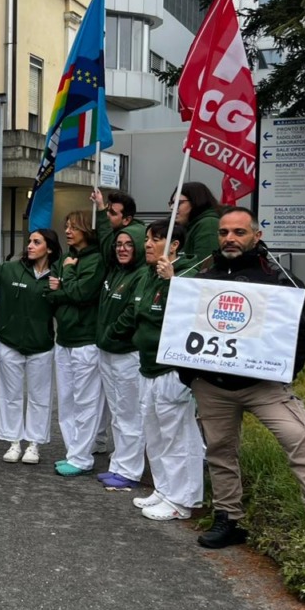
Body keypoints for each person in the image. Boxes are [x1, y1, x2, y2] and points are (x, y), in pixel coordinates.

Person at [180, 207, 305, 550]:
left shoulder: (280, 280)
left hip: (264, 387)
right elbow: (180, 329)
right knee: (220, 451)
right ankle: (228, 518)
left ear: (256, 235)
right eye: (224, 232)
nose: (230, 239)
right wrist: (190, 374)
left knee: (299, 438)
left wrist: (283, 371)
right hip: (213, 386)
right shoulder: (201, 278)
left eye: (239, 232)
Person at [102, 220, 204, 522]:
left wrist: (173, 283)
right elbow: (136, 313)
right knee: (155, 433)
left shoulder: (188, 274)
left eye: (155, 239)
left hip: (172, 369)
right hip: (147, 366)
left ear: (173, 245)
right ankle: (164, 488)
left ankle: (182, 500)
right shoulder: (147, 275)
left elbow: (193, 315)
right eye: (146, 238)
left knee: (177, 435)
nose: (147, 244)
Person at [0, 228, 59, 465]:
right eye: (29, 242)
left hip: (41, 345)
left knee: (39, 397)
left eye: (37, 242)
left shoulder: (57, 275)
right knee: (9, 396)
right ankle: (13, 442)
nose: (30, 246)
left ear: (50, 248)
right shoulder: (10, 269)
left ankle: (34, 444)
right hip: (9, 343)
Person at [48, 211, 106, 477]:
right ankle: (74, 452)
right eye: (66, 226)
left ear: (87, 229)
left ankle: (82, 457)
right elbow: (52, 294)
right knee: (67, 401)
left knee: (86, 401)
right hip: (65, 339)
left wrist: (68, 276)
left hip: (85, 341)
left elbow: (82, 293)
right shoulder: (64, 259)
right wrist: (62, 289)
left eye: (73, 227)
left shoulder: (96, 260)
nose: (68, 231)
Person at [93, 229, 147, 490]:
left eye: (129, 244)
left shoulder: (141, 275)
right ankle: (119, 463)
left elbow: (132, 313)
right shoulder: (115, 272)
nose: (122, 249)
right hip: (108, 351)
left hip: (126, 353)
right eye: (118, 244)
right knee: (117, 413)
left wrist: (111, 332)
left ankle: (130, 471)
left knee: (130, 415)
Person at [89, 189, 145, 268]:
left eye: (112, 213)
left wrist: (101, 210)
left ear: (127, 220)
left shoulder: (135, 233)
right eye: (106, 210)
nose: (107, 215)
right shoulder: (115, 228)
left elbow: (108, 253)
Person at [170, 180, 221, 265]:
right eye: (172, 203)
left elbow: (204, 266)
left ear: (196, 201)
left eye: (178, 203)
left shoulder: (209, 224)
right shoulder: (186, 225)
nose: (172, 208)